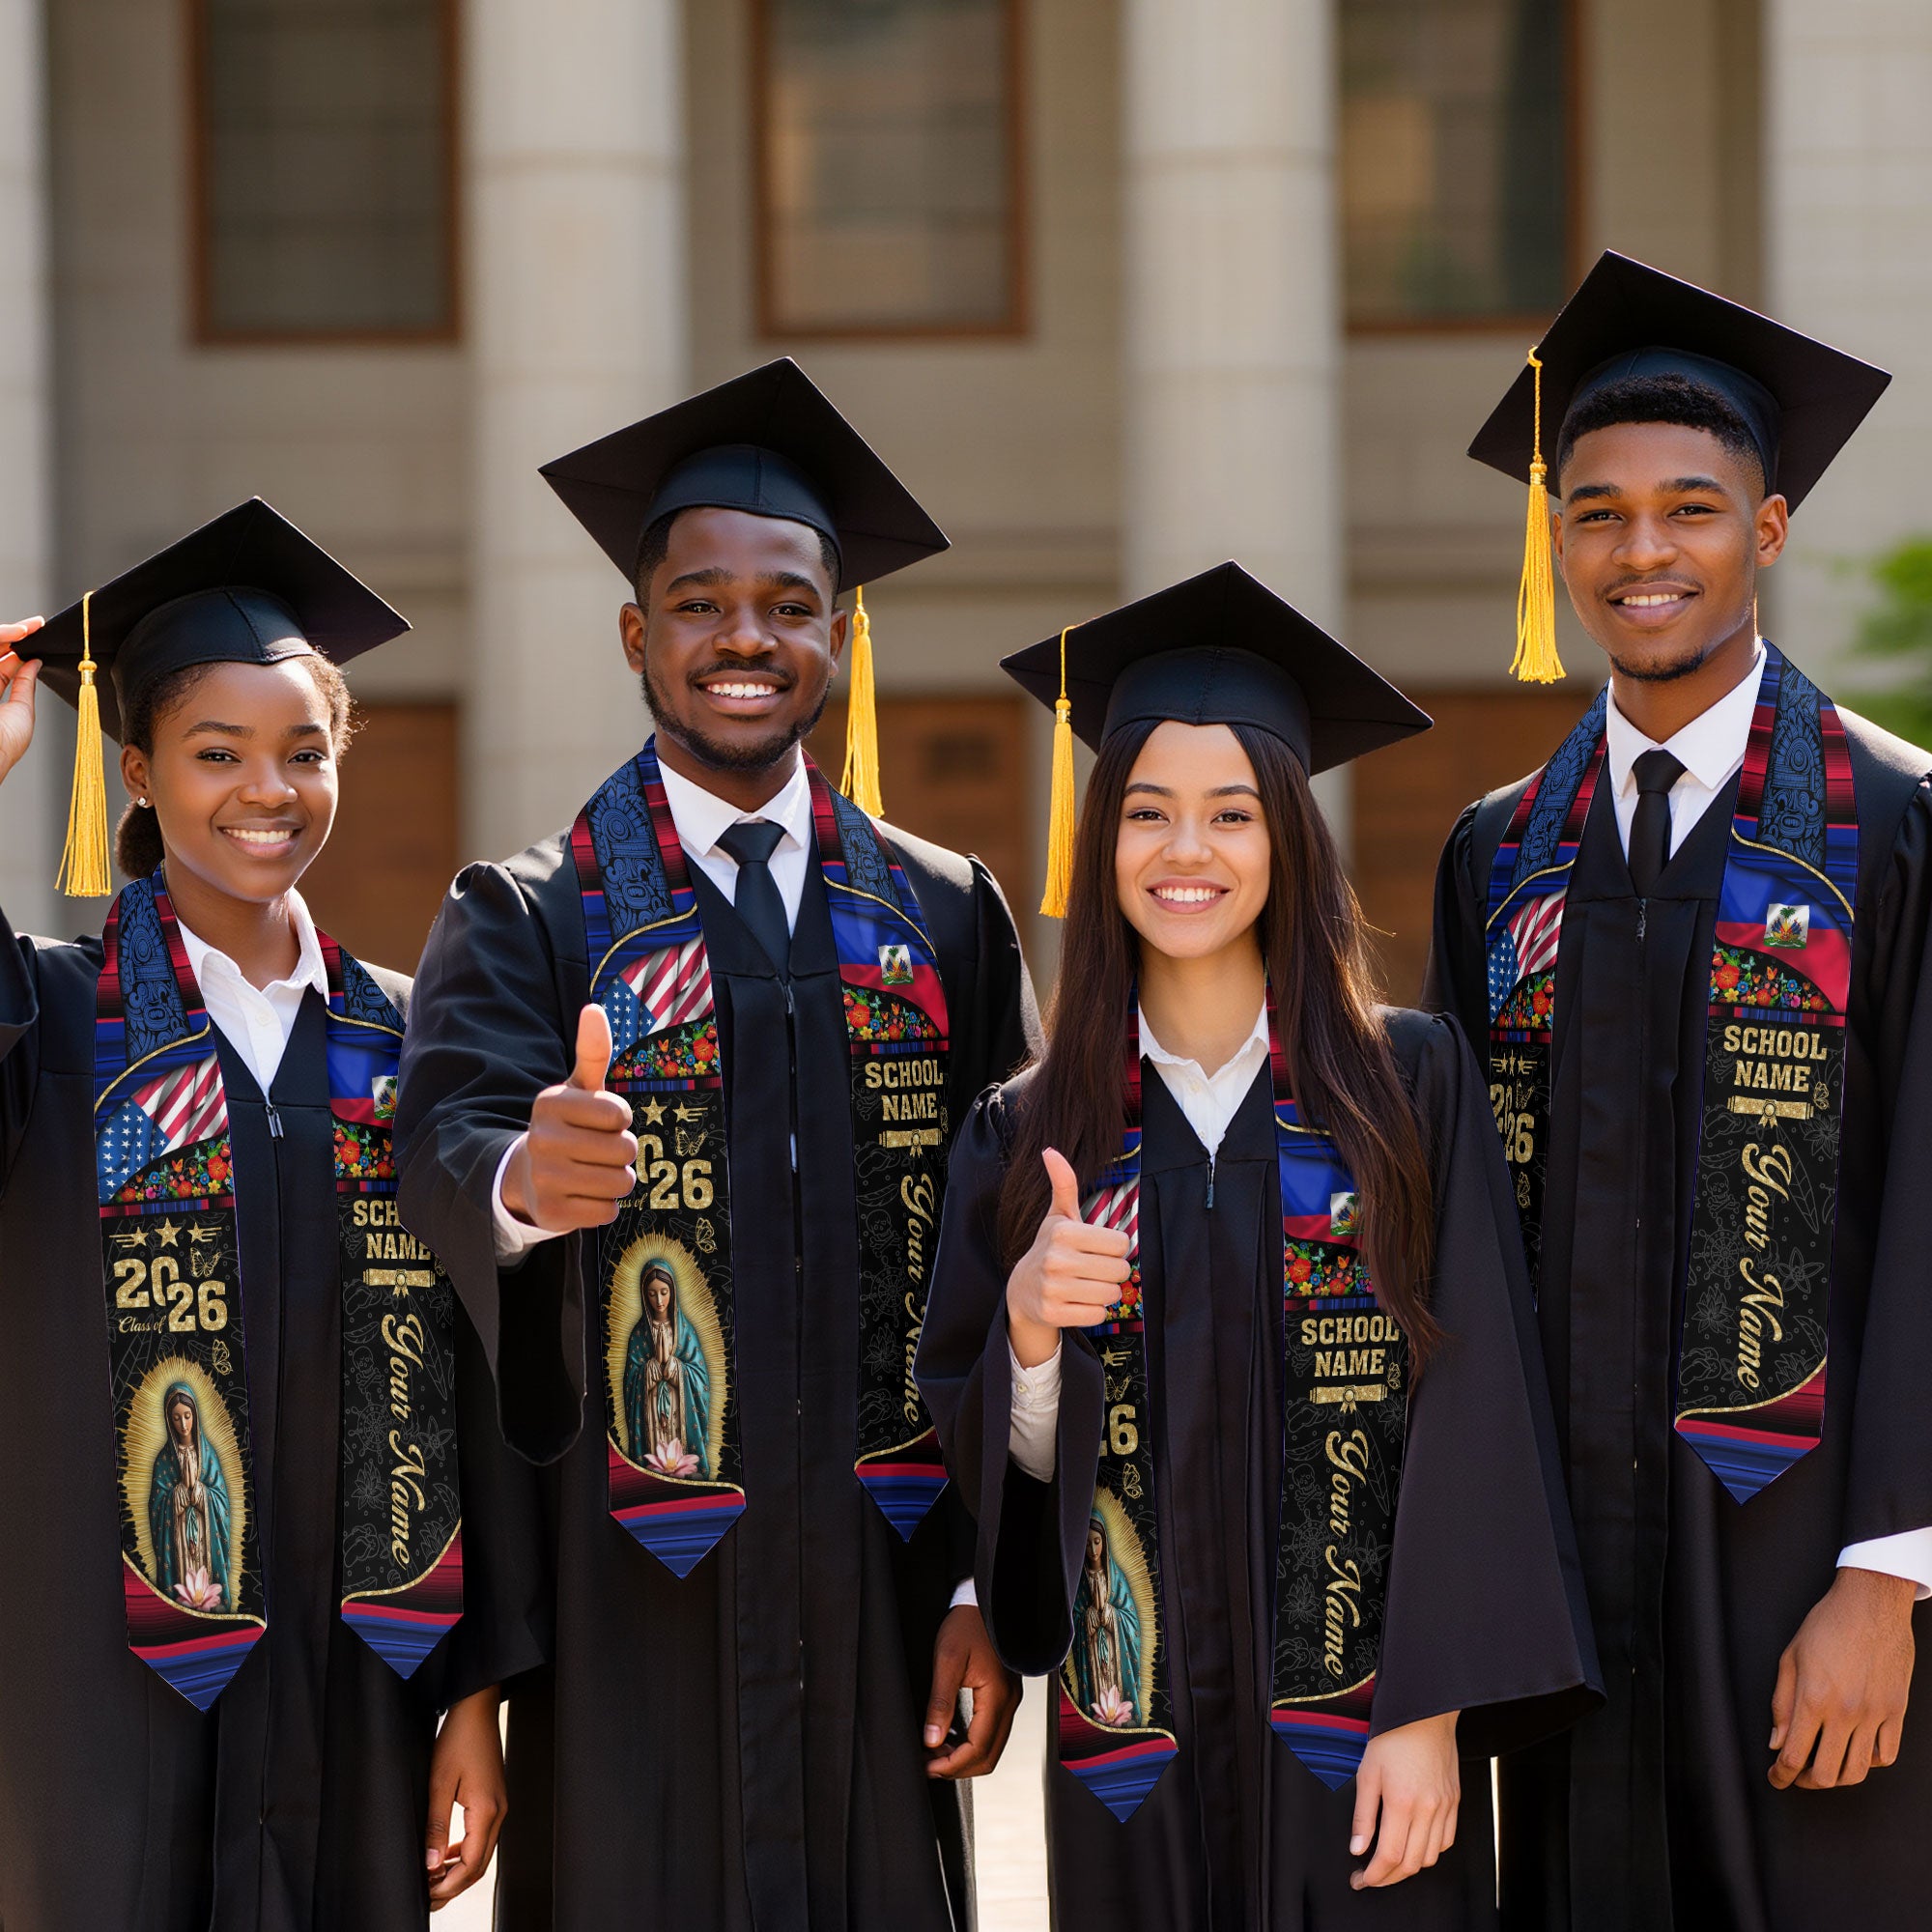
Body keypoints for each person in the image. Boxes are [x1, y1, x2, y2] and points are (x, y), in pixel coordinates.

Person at [394, 359, 1039, 1929]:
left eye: (788, 603)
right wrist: (522, 1184)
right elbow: (444, 1148)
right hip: (634, 1603)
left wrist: (982, 1589)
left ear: (840, 633)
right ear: (638, 634)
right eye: (698, 603)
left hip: (884, 1585)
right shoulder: (531, 914)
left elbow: (1017, 1254)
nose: (744, 638)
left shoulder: (943, 915)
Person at [919, 563, 1599, 1931]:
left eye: (1231, 814)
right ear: (1100, 841)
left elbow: (1479, 1406)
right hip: (1132, 1755)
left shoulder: (1410, 1089)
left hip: (1367, 1740)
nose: (1188, 853)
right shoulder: (1030, 1127)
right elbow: (989, 1474)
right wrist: (1033, 1342)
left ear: (1288, 839)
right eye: (1149, 813)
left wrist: (1429, 1709)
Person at [1427, 251, 1932, 1931]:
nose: (1643, 551)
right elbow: (1454, 1233)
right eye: (1598, 511)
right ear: (1555, 539)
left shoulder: (1895, 823)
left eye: (1692, 508)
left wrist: (1890, 1572)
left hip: (1804, 1559)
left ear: (1769, 530)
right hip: (1565, 1568)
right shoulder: (1501, 853)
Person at [0, 499, 546, 1932]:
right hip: (91, 1686)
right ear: (135, 771)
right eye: (216, 754)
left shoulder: (412, 1045)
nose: (268, 790)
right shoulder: (53, 1018)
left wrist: (476, 1700)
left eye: (305, 754)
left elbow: (477, 1388)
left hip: (355, 1672)